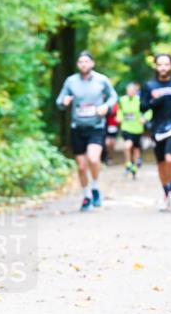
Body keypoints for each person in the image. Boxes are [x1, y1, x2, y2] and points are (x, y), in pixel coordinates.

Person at [56, 52, 117, 211]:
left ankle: (95, 187)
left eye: (86, 61)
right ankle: (86, 196)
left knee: (93, 159)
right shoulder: (71, 81)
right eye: (80, 62)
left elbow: (113, 97)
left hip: (96, 127)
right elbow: (59, 101)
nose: (83, 64)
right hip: (77, 128)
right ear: (78, 65)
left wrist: (106, 106)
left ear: (92, 63)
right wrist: (64, 102)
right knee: (82, 167)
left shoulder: (101, 80)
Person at [140, 53, 171, 211]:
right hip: (157, 126)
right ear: (156, 66)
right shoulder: (149, 85)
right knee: (161, 163)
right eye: (160, 64)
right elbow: (142, 106)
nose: (163, 67)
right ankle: (166, 193)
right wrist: (154, 102)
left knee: (170, 159)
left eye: (166, 64)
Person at [117, 81, 151, 179]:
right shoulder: (122, 100)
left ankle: (135, 167)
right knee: (127, 145)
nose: (130, 92)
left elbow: (149, 110)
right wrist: (119, 117)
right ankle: (128, 164)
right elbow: (119, 110)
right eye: (128, 90)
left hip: (137, 128)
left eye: (132, 90)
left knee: (136, 149)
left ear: (136, 91)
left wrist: (145, 118)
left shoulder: (140, 100)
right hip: (126, 127)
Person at [103, 100, 119, 167]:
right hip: (105, 126)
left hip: (113, 126)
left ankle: (110, 157)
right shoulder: (104, 103)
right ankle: (106, 157)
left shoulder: (116, 105)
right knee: (107, 143)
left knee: (112, 143)